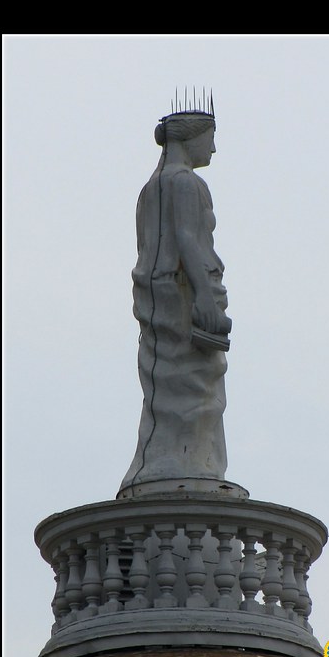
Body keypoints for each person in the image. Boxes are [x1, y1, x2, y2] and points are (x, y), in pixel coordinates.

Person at [120, 108, 231, 491]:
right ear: (190, 138)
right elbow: (187, 238)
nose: (214, 148)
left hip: (159, 292)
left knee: (166, 380)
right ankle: (186, 462)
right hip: (183, 291)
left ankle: (165, 459)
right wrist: (202, 294)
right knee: (196, 382)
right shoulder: (185, 183)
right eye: (210, 138)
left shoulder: (150, 188)